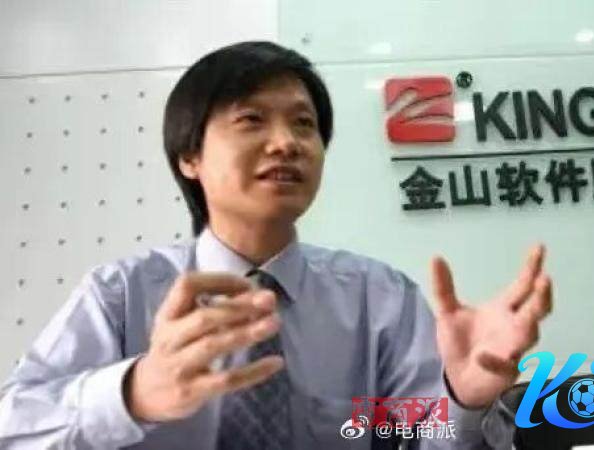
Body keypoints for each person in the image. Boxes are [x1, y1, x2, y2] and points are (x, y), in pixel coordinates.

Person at [0, 41, 552, 449]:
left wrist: (464, 400)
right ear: (189, 157)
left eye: (304, 124)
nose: (286, 142)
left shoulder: (379, 298)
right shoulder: (120, 293)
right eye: (251, 120)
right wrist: (133, 393)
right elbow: (13, 427)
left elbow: (423, 436)